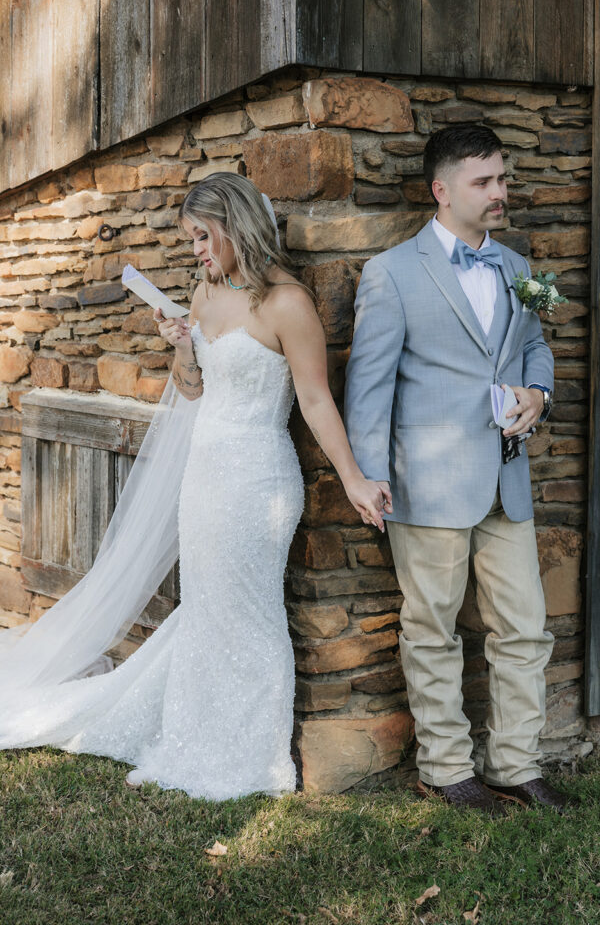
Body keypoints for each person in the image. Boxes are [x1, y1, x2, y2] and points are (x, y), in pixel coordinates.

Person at [0, 172, 390, 801]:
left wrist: (354, 481)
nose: (198, 252)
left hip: (258, 478)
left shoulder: (287, 303)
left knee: (249, 612)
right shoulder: (205, 293)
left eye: (204, 238)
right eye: (191, 241)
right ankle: (194, 732)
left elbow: (316, 401)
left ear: (236, 226)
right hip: (204, 477)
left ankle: (251, 753)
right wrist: (182, 344)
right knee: (207, 607)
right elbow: (191, 388)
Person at [344, 124, 570, 815]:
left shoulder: (515, 267)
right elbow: (368, 384)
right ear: (441, 191)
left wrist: (539, 391)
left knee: (525, 627)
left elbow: (532, 347)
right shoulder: (392, 273)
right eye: (484, 182)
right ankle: (444, 770)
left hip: (506, 478)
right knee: (431, 629)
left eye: (501, 178)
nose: (500, 192)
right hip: (426, 483)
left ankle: (516, 764)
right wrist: (367, 473)